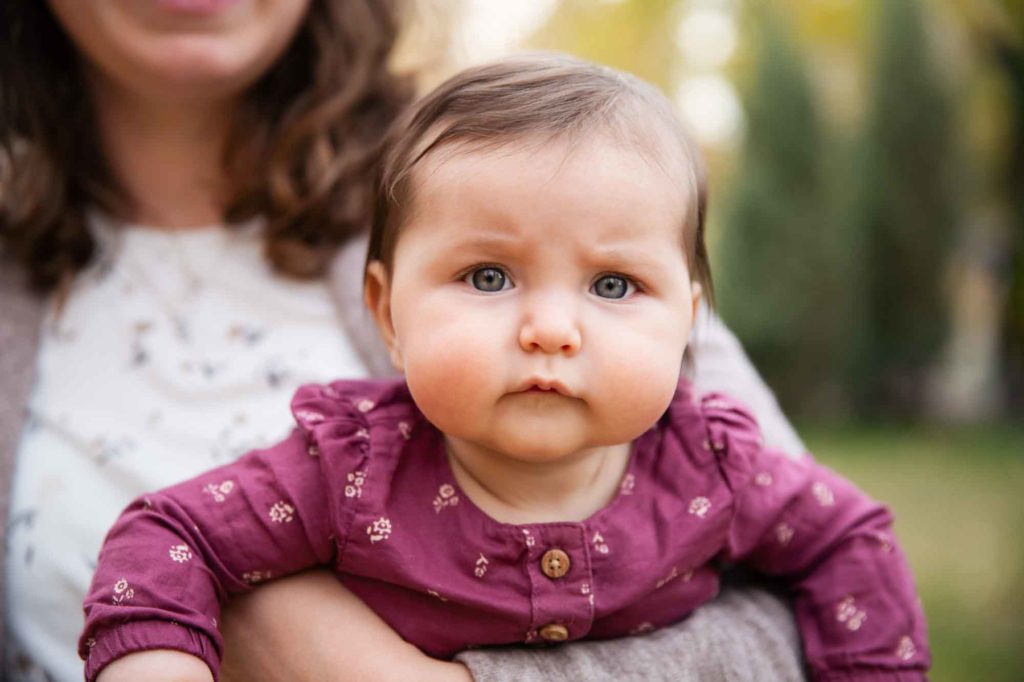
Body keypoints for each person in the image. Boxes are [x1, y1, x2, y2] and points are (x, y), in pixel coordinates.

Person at [0, 2, 811, 681]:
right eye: (488, 280)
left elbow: (810, 609)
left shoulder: (527, 180)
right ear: (386, 311)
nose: (549, 327)